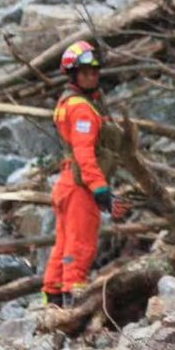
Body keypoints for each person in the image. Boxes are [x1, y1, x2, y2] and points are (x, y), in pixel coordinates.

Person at [41, 41, 120, 306]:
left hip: (67, 182)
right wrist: (99, 187)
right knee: (81, 245)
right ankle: (73, 300)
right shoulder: (82, 108)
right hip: (80, 186)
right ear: (73, 75)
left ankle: (51, 301)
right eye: (85, 72)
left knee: (63, 245)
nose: (91, 76)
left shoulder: (69, 103)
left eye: (94, 72)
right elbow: (84, 153)